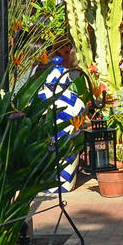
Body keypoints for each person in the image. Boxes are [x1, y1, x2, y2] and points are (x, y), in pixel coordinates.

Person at [37, 37, 89, 193]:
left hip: (48, 147)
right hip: (67, 147)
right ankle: (65, 185)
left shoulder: (39, 97)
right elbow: (82, 113)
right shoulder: (73, 99)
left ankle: (49, 186)